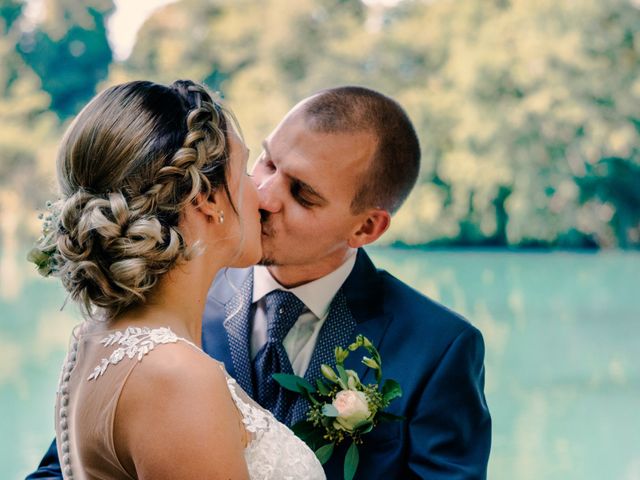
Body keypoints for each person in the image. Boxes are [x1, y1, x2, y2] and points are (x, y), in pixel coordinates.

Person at [29, 86, 491, 480]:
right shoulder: (163, 298)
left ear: (366, 228)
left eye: (303, 195)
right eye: (267, 163)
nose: (266, 196)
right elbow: (72, 466)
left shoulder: (440, 348)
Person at [26, 80, 325, 479]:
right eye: (247, 172)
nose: (263, 197)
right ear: (206, 197)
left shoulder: (99, 340)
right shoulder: (177, 378)